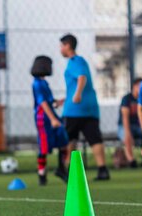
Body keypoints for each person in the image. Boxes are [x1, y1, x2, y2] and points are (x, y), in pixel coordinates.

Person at [59, 34, 110, 181]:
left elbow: (82, 78)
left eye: (62, 46)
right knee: (95, 138)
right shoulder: (80, 62)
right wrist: (68, 97)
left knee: (69, 140)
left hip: (75, 110)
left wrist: (77, 95)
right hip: (90, 108)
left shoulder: (75, 61)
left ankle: (69, 170)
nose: (61, 49)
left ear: (68, 45)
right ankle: (102, 169)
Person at [31, 56, 69, 186]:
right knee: (44, 145)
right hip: (43, 118)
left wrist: (59, 101)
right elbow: (42, 103)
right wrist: (52, 119)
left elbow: (49, 101)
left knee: (63, 139)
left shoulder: (44, 82)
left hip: (51, 115)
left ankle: (61, 168)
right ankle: (41, 174)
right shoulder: (37, 83)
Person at [117, 78, 142, 168]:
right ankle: (131, 160)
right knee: (126, 136)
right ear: (134, 87)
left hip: (139, 126)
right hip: (125, 125)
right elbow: (125, 118)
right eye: (140, 86)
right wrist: (128, 132)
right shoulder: (127, 99)